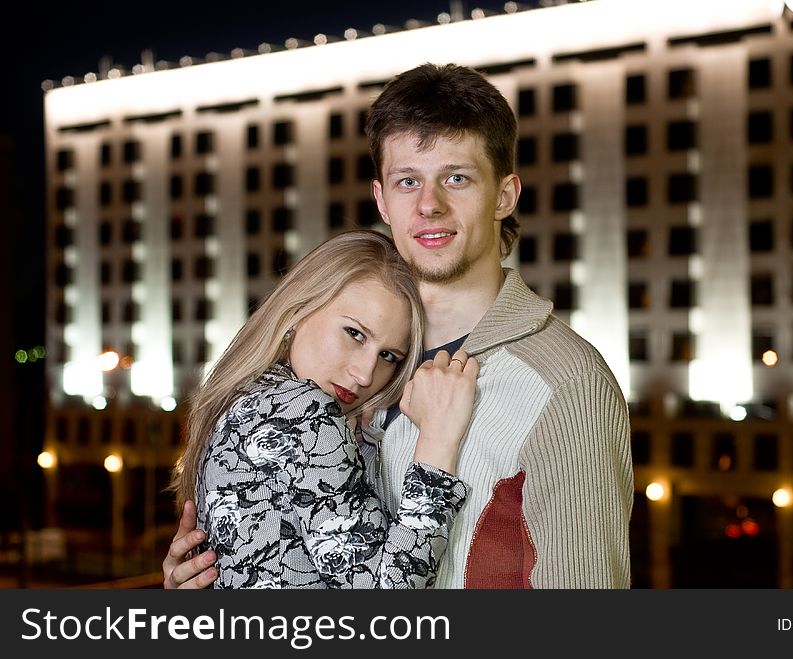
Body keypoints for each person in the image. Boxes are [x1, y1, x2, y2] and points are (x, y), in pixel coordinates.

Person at [163, 63, 633, 590]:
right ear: (382, 200)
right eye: (408, 181)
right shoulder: (345, 374)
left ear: (504, 196)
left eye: (457, 178)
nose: (430, 205)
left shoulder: (565, 382)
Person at [169, 229, 478, 588]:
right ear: (300, 309)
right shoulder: (303, 409)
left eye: (388, 356)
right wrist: (438, 441)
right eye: (355, 334)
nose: (364, 374)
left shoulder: (241, 400)